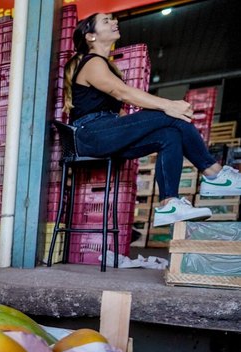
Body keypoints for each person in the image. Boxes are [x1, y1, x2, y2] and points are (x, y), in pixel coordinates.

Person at [64, 13, 241, 227]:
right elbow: (122, 93)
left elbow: (119, 111)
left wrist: (139, 127)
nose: (114, 22)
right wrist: (169, 105)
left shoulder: (108, 67)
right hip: (89, 134)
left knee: (169, 134)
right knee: (169, 115)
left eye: (113, 19)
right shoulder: (92, 62)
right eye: (106, 21)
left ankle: (169, 204)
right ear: (91, 36)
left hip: (106, 134)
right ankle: (214, 174)